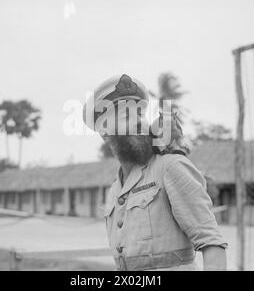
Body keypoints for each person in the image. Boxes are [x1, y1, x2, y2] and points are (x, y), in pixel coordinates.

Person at [83, 74, 228, 271]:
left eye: (139, 114)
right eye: (127, 116)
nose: (137, 122)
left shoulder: (170, 166)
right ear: (105, 133)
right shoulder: (114, 190)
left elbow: (213, 244)